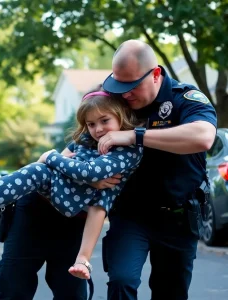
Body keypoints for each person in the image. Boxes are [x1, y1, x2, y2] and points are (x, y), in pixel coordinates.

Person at [0, 88, 143, 281]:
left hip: (77, 203)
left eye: (104, 120)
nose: (97, 129)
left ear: (121, 116)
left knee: (39, 170)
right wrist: (61, 163)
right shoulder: (87, 140)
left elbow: (87, 172)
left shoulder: (128, 149)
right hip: (61, 199)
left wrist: (49, 156)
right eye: (91, 124)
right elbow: (69, 165)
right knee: (35, 172)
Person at [91, 39, 217, 300]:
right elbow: (83, 141)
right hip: (129, 215)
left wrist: (135, 136)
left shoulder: (185, 98)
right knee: (122, 281)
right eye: (119, 85)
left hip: (178, 216)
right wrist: (85, 175)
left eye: (132, 86)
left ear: (156, 74)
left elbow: (203, 137)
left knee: (170, 291)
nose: (125, 94)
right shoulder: (115, 102)